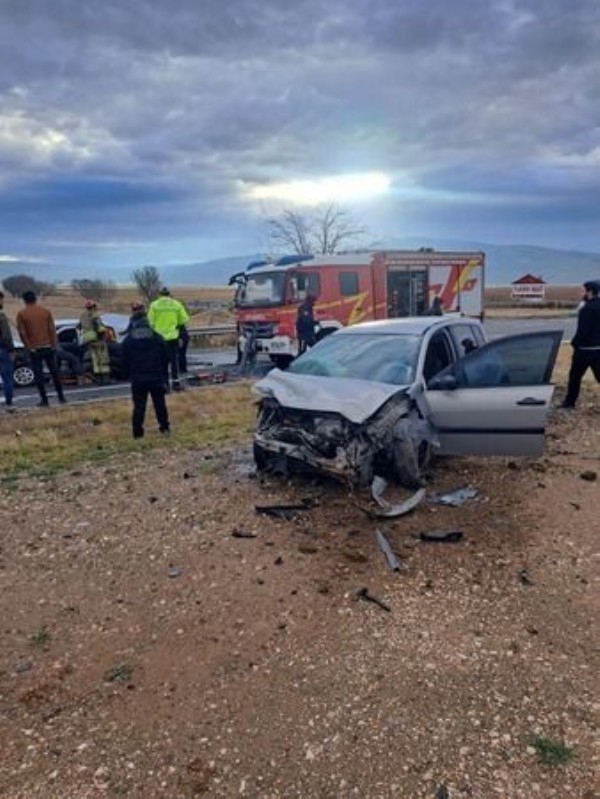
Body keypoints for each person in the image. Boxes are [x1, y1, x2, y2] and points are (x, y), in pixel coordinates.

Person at [121, 302, 170, 439]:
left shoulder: (128, 340)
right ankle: (165, 428)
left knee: (139, 407)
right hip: (156, 376)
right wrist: (163, 373)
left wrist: (126, 375)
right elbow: (166, 357)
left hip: (138, 378)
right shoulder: (156, 337)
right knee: (160, 404)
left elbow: (123, 360)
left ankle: (137, 433)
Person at [16, 290, 66, 407]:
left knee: (39, 375)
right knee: (54, 372)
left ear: (24, 300)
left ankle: (44, 400)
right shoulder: (46, 312)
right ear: (35, 299)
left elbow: (22, 333)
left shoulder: (22, 314)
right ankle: (61, 397)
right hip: (48, 346)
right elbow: (52, 330)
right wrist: (54, 344)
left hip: (34, 348)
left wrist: (28, 346)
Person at [561, 280, 600, 409]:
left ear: (590, 292)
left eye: (583, 290)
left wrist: (574, 343)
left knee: (575, 377)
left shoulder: (587, 309)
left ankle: (569, 403)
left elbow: (583, 331)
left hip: (584, 351)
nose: (581, 292)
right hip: (598, 350)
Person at [148, 287, 190, 391]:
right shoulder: (176, 304)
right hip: (172, 337)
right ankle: (176, 383)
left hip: (159, 338)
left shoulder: (154, 305)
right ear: (169, 294)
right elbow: (184, 320)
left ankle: (164, 384)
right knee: (173, 361)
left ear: (160, 294)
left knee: (162, 362)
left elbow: (150, 322)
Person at [79, 299, 111, 383]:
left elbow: (79, 327)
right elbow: (99, 328)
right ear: (93, 307)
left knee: (95, 359)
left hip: (88, 340)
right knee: (103, 358)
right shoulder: (95, 315)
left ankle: (99, 380)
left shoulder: (83, 316)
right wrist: (104, 333)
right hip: (97, 338)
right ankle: (106, 379)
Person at [0, 291, 16, 412]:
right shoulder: (1, 317)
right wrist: (11, 350)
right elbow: (6, 336)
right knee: (7, 377)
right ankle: (9, 403)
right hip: (2, 349)